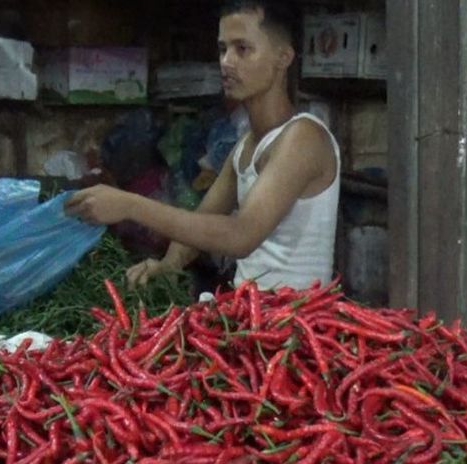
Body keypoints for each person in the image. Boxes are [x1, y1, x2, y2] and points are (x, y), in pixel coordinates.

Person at [65, 0, 340, 291]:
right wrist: (169, 264)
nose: (227, 62)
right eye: (223, 49)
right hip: (254, 317)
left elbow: (240, 235)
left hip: (297, 325)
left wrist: (130, 205)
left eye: (242, 49)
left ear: (283, 57)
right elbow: (203, 222)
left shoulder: (303, 137)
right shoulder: (247, 144)